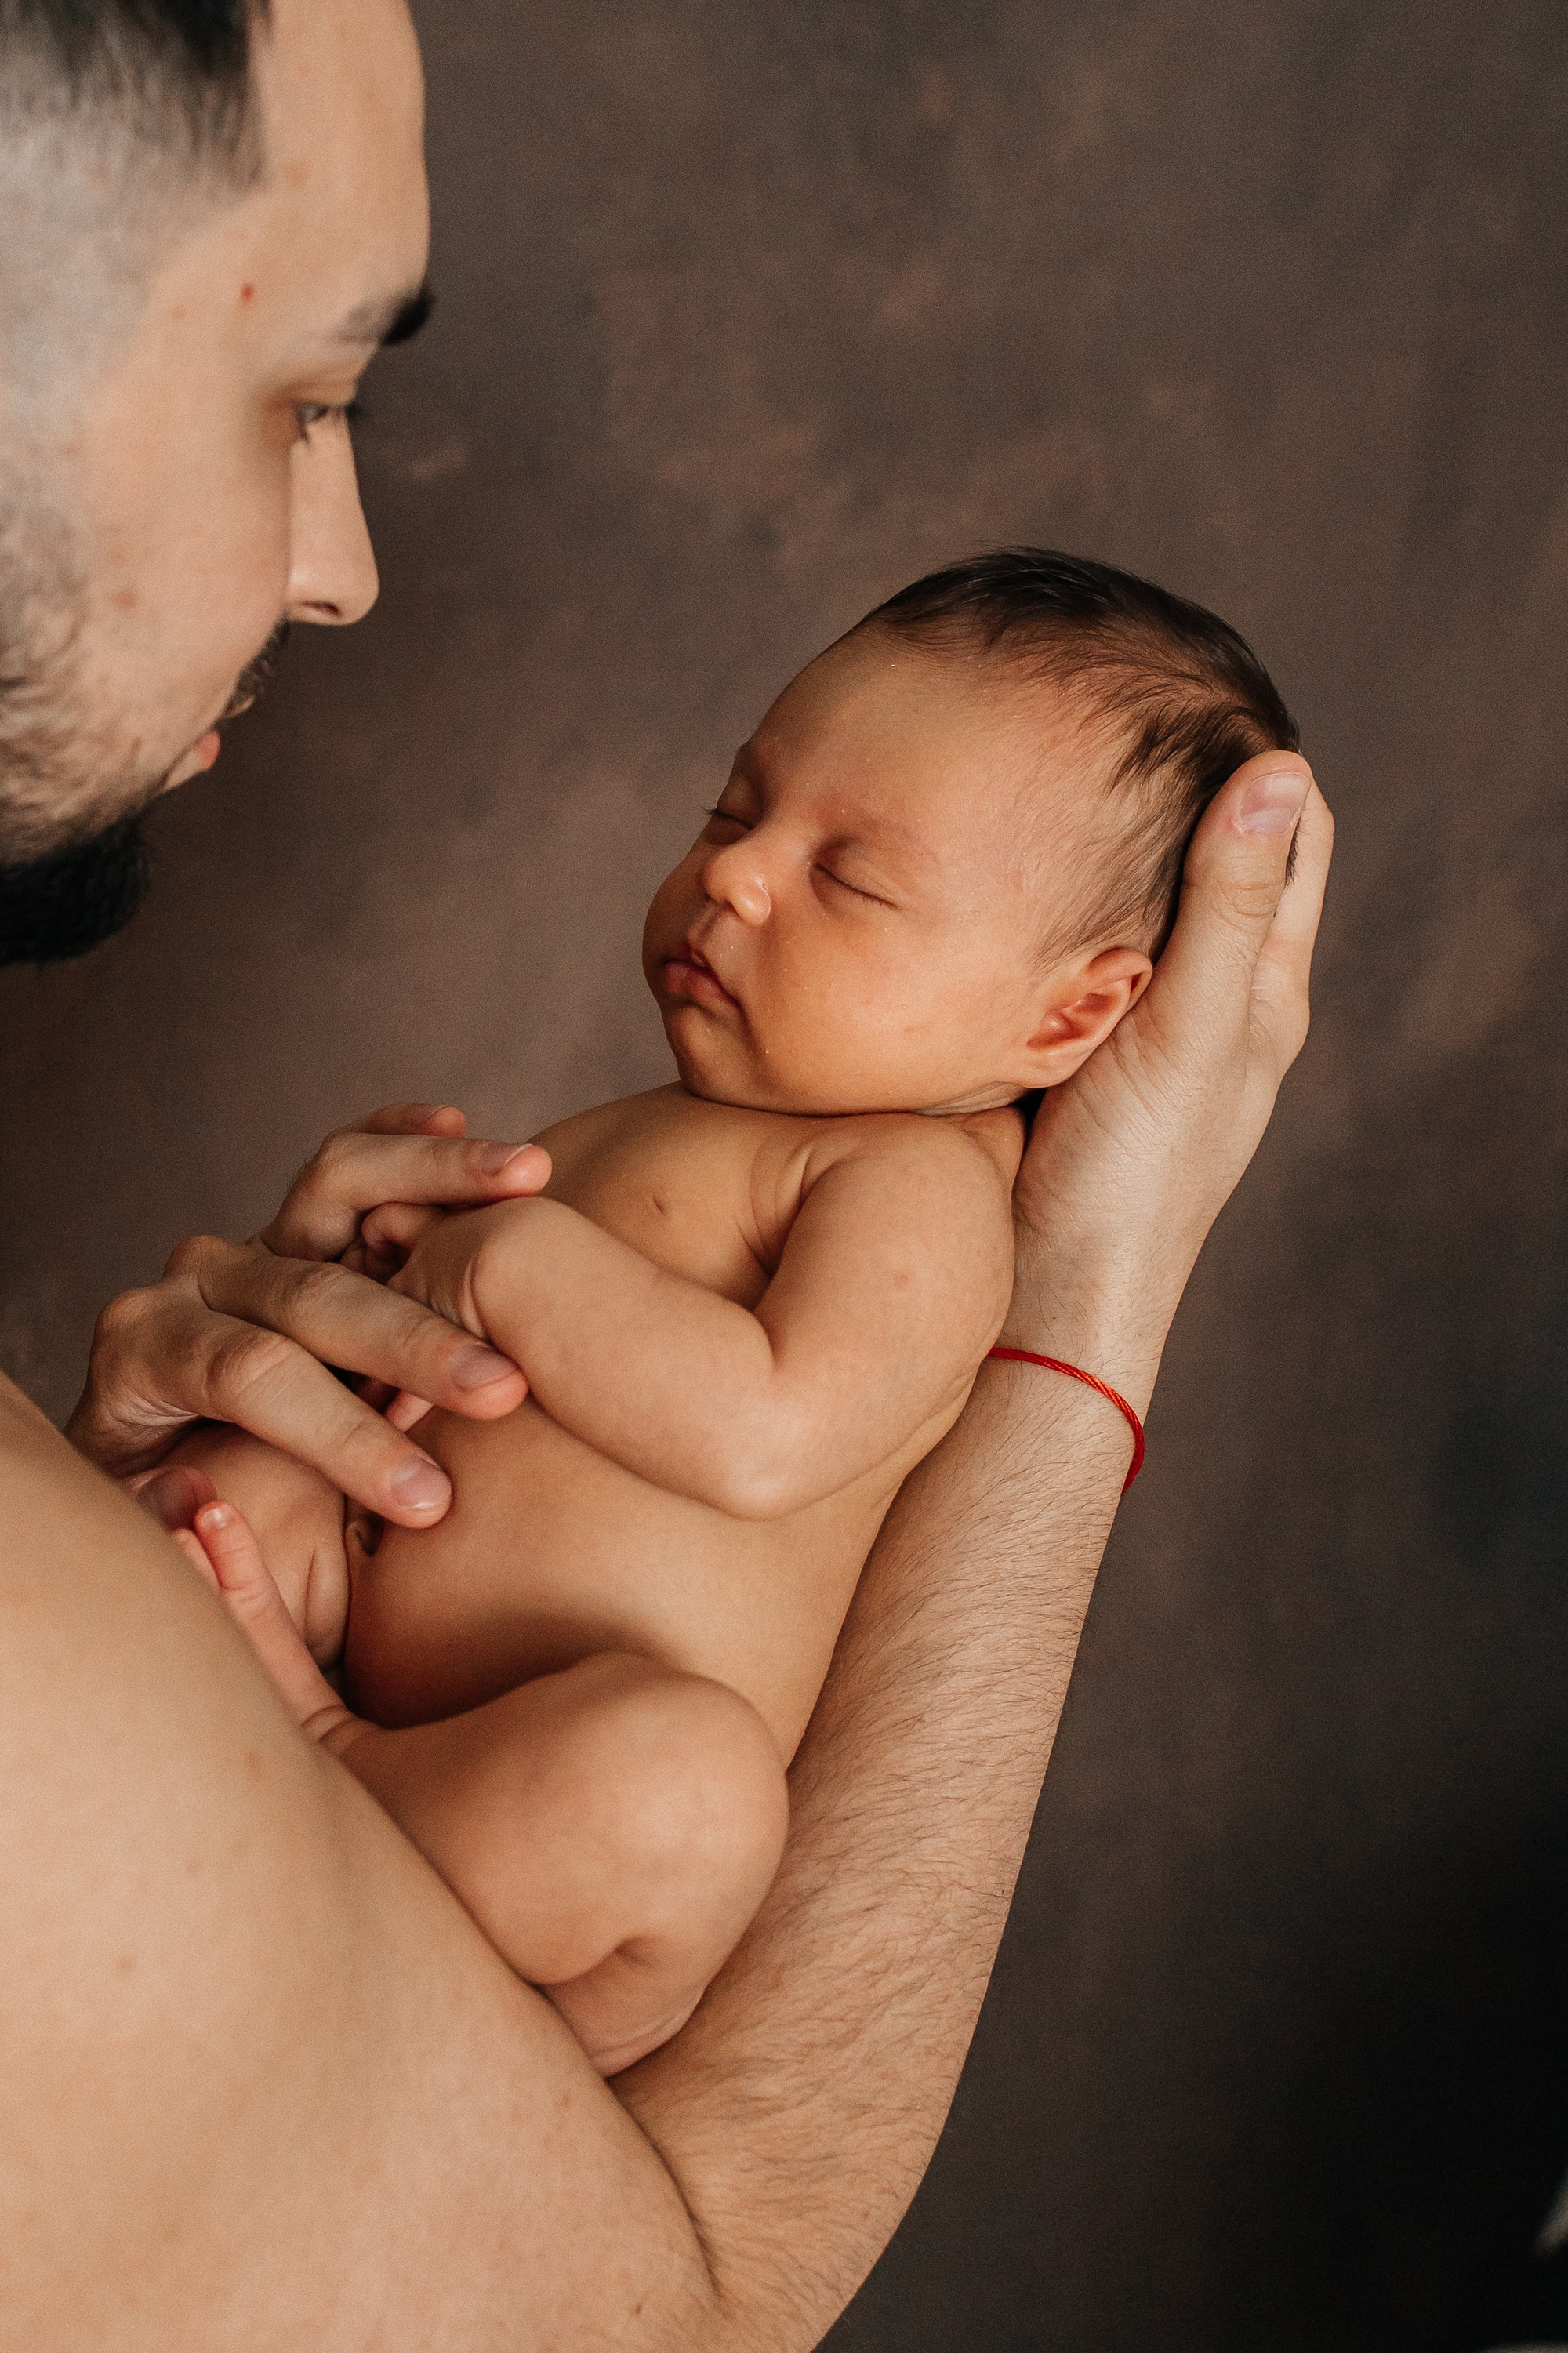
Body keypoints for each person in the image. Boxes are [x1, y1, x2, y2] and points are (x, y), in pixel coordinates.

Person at [0, 0, 1330, 2353]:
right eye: (300, 397)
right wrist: (1086, 1337)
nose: (343, 563)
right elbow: (682, 2299)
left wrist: (95, 1553)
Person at [154, 550, 1299, 2080]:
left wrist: (512, 1269)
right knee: (203, 1491)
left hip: (550, 1755)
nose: (734, 875)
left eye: (849, 878)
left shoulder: (913, 1185)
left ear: (1068, 1014)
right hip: (341, 1606)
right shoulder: (673, 1115)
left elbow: (770, 1431)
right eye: (730, 810)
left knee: (684, 1796)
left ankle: (334, 1771)